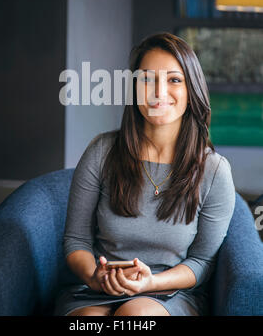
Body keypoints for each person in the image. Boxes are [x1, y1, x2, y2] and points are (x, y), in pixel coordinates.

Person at [53, 32, 236, 316]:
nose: (158, 92)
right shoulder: (102, 151)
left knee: (136, 316)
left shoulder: (213, 170)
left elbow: (201, 262)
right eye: (147, 79)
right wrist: (95, 277)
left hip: (169, 295)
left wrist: (150, 283)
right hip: (93, 291)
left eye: (174, 80)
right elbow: (75, 241)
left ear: (192, 89)